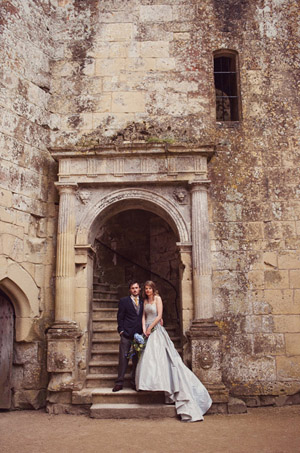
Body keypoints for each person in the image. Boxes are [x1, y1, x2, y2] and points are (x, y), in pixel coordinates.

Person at [135, 280, 212, 422]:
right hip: (146, 330)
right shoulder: (145, 301)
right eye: (145, 288)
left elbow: (158, 316)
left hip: (156, 330)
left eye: (149, 288)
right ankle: (152, 383)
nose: (147, 291)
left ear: (153, 289)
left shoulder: (158, 299)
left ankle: (167, 386)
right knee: (148, 359)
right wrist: (143, 328)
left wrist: (150, 328)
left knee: (160, 358)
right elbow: (143, 316)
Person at [112, 280, 143, 392]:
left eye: (136, 288)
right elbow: (120, 317)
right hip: (126, 334)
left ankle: (134, 382)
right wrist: (121, 331)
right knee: (123, 358)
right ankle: (119, 382)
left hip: (139, 335)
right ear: (130, 290)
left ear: (139, 289)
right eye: (132, 288)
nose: (135, 290)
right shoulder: (124, 301)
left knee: (136, 359)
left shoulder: (144, 302)